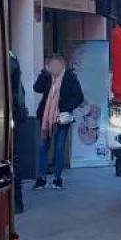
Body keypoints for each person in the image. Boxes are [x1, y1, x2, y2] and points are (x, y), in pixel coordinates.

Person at [33, 53, 83, 189]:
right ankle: (41, 178)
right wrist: (44, 73)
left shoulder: (69, 77)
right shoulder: (47, 76)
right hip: (46, 117)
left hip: (62, 118)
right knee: (43, 147)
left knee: (59, 147)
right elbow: (36, 88)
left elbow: (79, 96)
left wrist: (64, 108)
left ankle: (57, 178)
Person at [10, 52, 28, 212]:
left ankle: (17, 201)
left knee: (13, 160)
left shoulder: (9, 59)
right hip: (15, 114)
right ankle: (17, 202)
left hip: (12, 114)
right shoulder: (12, 57)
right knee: (14, 159)